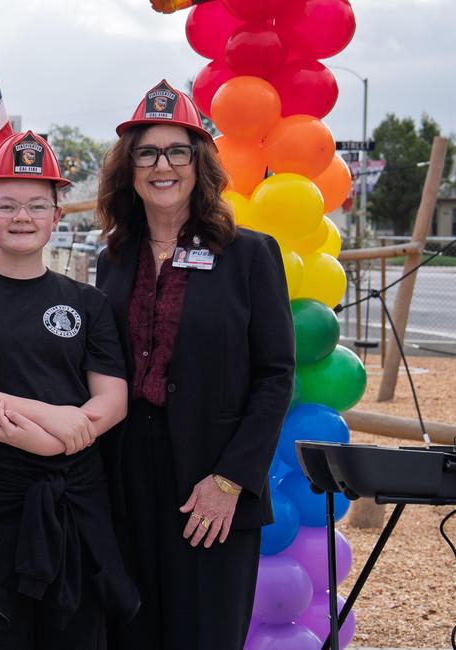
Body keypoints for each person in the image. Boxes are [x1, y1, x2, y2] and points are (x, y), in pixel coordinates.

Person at [96, 81, 295, 649]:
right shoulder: (113, 260)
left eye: (177, 151)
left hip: (213, 479)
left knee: (204, 633)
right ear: (128, 168)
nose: (163, 166)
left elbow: (276, 374)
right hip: (125, 477)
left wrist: (231, 480)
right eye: (147, 153)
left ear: (200, 163)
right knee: (129, 630)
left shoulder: (250, 255)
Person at [0, 131, 137, 648]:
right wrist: (53, 418)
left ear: (57, 217)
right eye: (8, 205)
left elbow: (113, 399)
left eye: (37, 205)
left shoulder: (87, 302)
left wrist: (54, 440)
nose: (22, 217)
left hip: (75, 505)